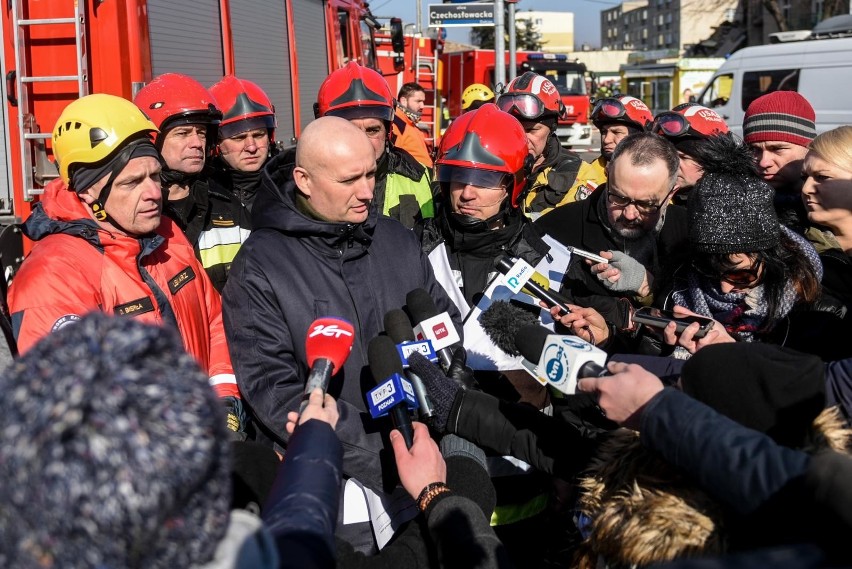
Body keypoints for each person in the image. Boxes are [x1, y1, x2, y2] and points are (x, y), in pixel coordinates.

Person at [221, 116, 461, 553]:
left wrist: (446, 420)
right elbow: (274, 389)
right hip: (341, 495)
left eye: (371, 173)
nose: (368, 191)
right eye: (350, 179)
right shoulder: (260, 264)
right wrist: (382, 453)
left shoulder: (397, 240)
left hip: (428, 465)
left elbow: (444, 328)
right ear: (304, 180)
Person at [7, 93, 243, 432]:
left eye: (154, 176)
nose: (153, 194)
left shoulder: (167, 233)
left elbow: (214, 322)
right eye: (132, 182)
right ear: (87, 192)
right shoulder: (54, 276)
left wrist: (225, 404)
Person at [649, 134, 835, 359]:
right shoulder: (677, 290)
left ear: (772, 259)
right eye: (708, 272)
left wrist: (734, 354)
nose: (724, 288)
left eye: (741, 275)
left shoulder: (816, 312)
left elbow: (807, 385)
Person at [535, 131, 687, 333]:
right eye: (618, 198)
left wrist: (649, 287)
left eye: (647, 204)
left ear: (672, 193)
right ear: (607, 174)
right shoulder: (555, 229)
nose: (630, 213)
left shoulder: (689, 233)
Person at [314, 61, 434, 229]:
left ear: (388, 131)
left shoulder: (416, 178)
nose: (362, 142)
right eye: (349, 130)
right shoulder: (306, 183)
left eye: (372, 130)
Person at [199, 75, 279, 289]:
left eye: (259, 134)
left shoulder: (290, 191)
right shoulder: (198, 202)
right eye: (238, 138)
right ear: (215, 143)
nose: (251, 147)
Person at [496, 71, 592, 216]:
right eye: (514, 129)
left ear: (552, 128)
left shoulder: (580, 174)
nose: (522, 138)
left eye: (531, 130)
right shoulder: (488, 167)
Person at [743, 91, 817, 234]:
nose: (764, 162)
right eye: (754, 149)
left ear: (808, 147)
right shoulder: (734, 204)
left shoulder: (835, 204)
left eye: (777, 149)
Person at [566, 94, 653, 201]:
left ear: (639, 137)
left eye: (616, 132)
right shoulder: (582, 174)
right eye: (604, 132)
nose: (606, 139)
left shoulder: (657, 179)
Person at [649, 102, 729, 205]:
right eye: (665, 155)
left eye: (682, 157)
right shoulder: (649, 196)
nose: (671, 164)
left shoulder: (730, 205)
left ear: (711, 162)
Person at [392, 82, 433, 168]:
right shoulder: (397, 124)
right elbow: (393, 160)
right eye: (418, 101)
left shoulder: (410, 124)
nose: (422, 106)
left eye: (423, 102)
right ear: (403, 101)